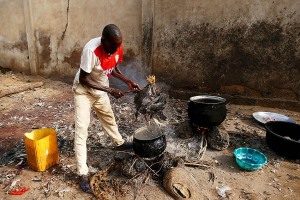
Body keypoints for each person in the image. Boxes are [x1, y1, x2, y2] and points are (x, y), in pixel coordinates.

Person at [72, 24, 141, 193]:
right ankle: (82, 173)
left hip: (100, 90)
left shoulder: (117, 47)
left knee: (109, 118)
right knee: (82, 129)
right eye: (112, 46)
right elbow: (84, 79)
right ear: (103, 41)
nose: (115, 49)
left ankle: (119, 143)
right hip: (84, 92)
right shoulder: (91, 50)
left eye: (118, 46)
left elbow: (113, 68)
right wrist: (111, 90)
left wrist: (127, 81)